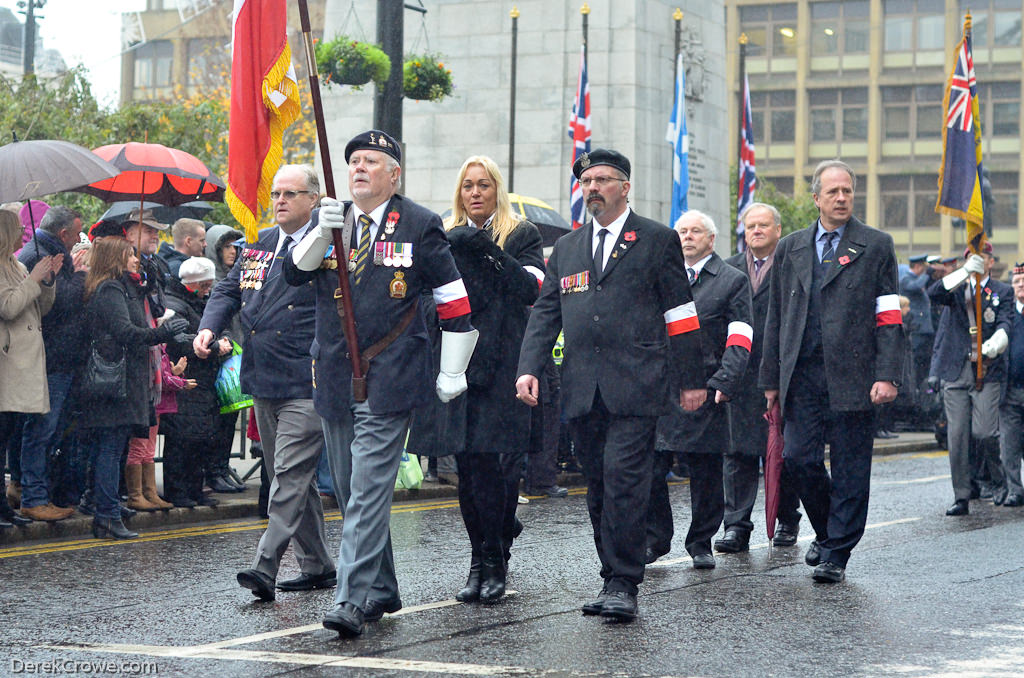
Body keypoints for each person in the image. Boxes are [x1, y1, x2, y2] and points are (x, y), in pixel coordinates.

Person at [284, 130, 476, 637]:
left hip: (391, 375)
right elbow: (293, 274)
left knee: (368, 491)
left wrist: (452, 369)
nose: (359, 168)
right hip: (333, 375)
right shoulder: (331, 219)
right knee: (350, 491)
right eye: (353, 162)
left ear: (395, 173)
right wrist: (319, 235)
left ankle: (350, 598)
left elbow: (453, 299)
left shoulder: (419, 223)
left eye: (372, 161)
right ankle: (383, 587)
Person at [516, 148, 705, 622]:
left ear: (624, 187)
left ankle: (624, 582)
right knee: (597, 484)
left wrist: (690, 379)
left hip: (637, 384)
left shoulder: (657, 240)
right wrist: (529, 367)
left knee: (624, 479)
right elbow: (546, 313)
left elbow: (680, 314)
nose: (593, 187)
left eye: (603, 179)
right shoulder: (568, 248)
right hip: (583, 387)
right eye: (587, 181)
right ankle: (611, 573)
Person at [759, 159, 904, 583]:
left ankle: (837, 553)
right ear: (816, 198)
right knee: (797, 458)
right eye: (833, 192)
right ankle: (827, 532)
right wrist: (770, 380)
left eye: (848, 191)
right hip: (801, 376)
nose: (842, 198)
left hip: (855, 378)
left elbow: (889, 315)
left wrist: (887, 374)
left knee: (851, 467)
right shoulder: (791, 247)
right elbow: (775, 317)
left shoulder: (875, 245)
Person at [196, 164, 334, 602]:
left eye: (290, 194)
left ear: (313, 199)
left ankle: (265, 564)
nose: (279, 201)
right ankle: (316, 565)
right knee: (290, 477)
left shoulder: (328, 243)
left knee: (289, 478)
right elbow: (227, 291)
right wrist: (208, 327)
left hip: (305, 382)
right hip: (264, 378)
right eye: (275, 193)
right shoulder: (260, 244)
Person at [441, 155, 544, 603]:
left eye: (484, 185)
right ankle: (477, 561)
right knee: (468, 468)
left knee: (500, 468)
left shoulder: (522, 234)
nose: (476, 193)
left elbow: (529, 290)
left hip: (507, 362)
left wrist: (486, 248)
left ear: (497, 189)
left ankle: (497, 553)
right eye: (468, 186)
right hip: (461, 362)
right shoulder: (445, 238)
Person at [649, 210, 752, 569]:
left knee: (705, 471)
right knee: (650, 466)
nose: (687, 237)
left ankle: (701, 541)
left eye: (696, 231)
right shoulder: (663, 274)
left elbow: (740, 335)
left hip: (705, 387)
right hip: (662, 388)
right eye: (682, 231)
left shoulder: (731, 280)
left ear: (711, 239)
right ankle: (656, 538)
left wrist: (725, 380)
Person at [80, 238, 188, 539]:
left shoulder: (122, 287)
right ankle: (107, 515)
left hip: (125, 381)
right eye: (130, 255)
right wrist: (161, 333)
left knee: (115, 448)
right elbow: (125, 332)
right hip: (115, 384)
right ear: (115, 258)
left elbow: (144, 307)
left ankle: (110, 510)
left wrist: (150, 279)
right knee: (110, 449)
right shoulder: (110, 289)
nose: (136, 259)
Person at [721, 202, 803, 550]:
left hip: (781, 377)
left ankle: (787, 517)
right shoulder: (729, 269)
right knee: (737, 453)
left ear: (778, 230)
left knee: (780, 453)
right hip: (740, 376)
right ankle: (736, 526)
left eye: (763, 225)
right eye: (750, 225)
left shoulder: (794, 267)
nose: (756, 231)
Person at [928, 242, 1012, 514]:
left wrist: (998, 340)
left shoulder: (1002, 291)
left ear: (990, 262)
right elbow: (934, 293)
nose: (978, 261)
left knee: (985, 432)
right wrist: (963, 272)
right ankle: (961, 496)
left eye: (982, 257)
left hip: (987, 371)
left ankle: (998, 480)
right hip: (956, 371)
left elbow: (1005, 322)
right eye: (972, 258)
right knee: (957, 436)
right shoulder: (957, 289)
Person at [16, 206, 87, 520]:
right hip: (51, 357)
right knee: (41, 429)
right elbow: (54, 306)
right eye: (76, 233)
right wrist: (81, 277)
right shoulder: (38, 256)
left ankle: (31, 490)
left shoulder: (53, 251)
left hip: (61, 356)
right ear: (63, 234)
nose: (79, 239)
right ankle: (33, 496)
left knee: (48, 430)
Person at [0, 210, 61, 524]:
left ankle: (5, 507)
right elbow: (9, 307)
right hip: (9, 362)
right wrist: (34, 279)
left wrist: (47, 281)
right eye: (18, 228)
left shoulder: (16, 264)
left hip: (25, 362)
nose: (24, 232)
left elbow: (41, 308)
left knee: (9, 433)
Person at [162, 256, 228, 508]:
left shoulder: (201, 301)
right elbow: (177, 337)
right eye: (204, 285)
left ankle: (195, 487)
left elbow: (219, 325)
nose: (208, 291)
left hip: (205, 378)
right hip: (186, 376)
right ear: (192, 282)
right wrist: (212, 345)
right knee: (182, 439)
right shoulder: (174, 304)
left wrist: (224, 341)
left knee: (202, 437)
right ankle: (177, 490)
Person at [998, 263, 1024, 508]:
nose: (1021, 286)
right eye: (1017, 282)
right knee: (1009, 446)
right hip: (1010, 389)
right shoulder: (1006, 313)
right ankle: (1015, 490)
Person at [900, 254, 935, 407]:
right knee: (915, 365)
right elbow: (914, 287)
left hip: (924, 330)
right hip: (916, 330)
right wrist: (927, 273)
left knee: (923, 366)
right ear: (918, 266)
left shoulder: (919, 280)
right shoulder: (906, 279)